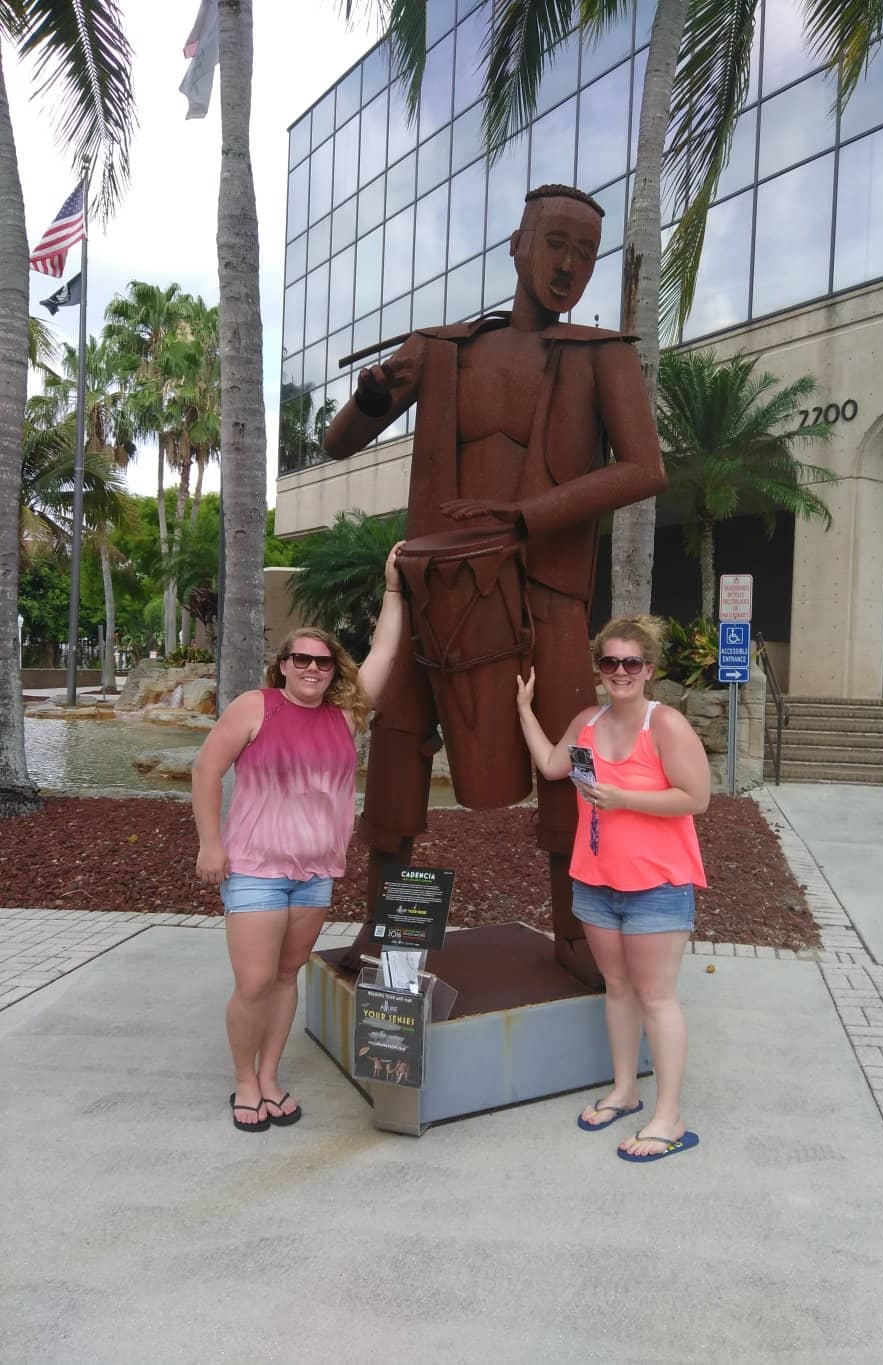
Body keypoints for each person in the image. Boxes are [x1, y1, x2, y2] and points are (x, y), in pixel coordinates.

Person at [323, 184, 667, 988]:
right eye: (556, 243)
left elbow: (646, 466)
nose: (570, 265)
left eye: (585, 253)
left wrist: (527, 516)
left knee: (568, 761)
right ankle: (386, 934)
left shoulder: (598, 353)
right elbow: (341, 443)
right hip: (435, 580)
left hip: (542, 588)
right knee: (400, 744)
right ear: (517, 245)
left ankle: (575, 935)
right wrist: (371, 398)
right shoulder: (444, 347)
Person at [191, 545, 405, 1132]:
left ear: (335, 671)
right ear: (282, 664)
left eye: (324, 663)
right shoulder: (254, 708)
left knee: (287, 978)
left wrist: (394, 589)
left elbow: (383, 652)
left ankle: (269, 1075)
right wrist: (211, 843)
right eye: (302, 660)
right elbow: (206, 770)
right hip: (257, 869)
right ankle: (243, 1081)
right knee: (255, 981)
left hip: (315, 873)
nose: (313, 669)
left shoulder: (346, 717)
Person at [516, 615, 710, 1162]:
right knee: (618, 989)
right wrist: (523, 710)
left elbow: (696, 798)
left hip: (657, 884)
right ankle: (625, 1091)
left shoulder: (665, 724)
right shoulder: (588, 720)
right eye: (609, 662)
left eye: (631, 663)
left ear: (648, 669)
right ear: (599, 668)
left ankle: (668, 1116)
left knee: (657, 997)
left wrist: (624, 798)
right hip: (596, 881)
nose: (619, 672)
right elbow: (554, 766)